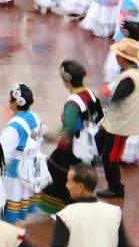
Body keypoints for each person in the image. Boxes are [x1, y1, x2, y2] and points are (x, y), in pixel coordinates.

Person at [39, 60, 103, 214]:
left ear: (66, 80)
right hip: (91, 142)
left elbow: (68, 128)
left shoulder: (73, 103)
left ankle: (66, 208)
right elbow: (99, 115)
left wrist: (47, 135)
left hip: (74, 147)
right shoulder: (90, 93)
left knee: (58, 173)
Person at [96, 38, 139, 199]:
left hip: (120, 125)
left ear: (123, 59)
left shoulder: (128, 78)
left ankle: (116, 188)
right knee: (99, 142)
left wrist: (105, 93)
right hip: (114, 122)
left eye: (118, 55)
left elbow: (114, 96)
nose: (116, 57)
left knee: (110, 157)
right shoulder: (135, 73)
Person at [0, 83, 51, 221]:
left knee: (11, 207)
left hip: (15, 173)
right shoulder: (34, 117)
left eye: (11, 99)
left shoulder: (13, 127)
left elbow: (2, 154)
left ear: (16, 103)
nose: (9, 102)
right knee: (23, 202)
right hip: (31, 169)